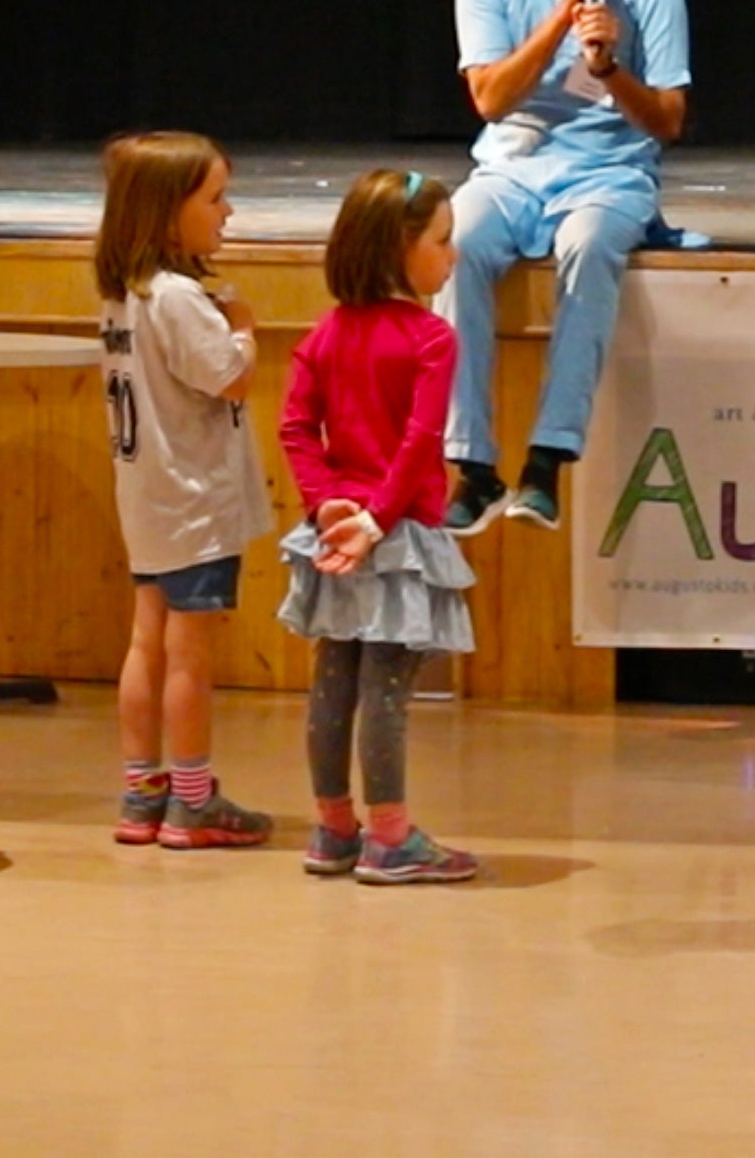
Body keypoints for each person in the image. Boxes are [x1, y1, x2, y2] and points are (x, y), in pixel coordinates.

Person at [440, 0, 691, 534]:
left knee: (587, 244)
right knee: (453, 242)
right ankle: (473, 466)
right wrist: (558, 17)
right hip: (511, 170)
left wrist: (609, 68)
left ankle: (548, 458)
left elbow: (669, 119)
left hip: (608, 173)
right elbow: (488, 98)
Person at [276, 169, 480, 885]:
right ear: (402, 247)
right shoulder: (430, 337)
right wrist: (371, 517)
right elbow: (420, 440)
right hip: (394, 538)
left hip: (340, 537)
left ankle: (334, 827)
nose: (451, 256)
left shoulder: (326, 333)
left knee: (333, 679)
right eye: (442, 241)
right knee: (385, 689)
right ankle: (389, 835)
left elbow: (296, 427)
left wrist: (326, 503)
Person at [94, 132, 275, 849]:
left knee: (147, 641)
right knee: (189, 651)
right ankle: (192, 797)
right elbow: (228, 374)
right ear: (168, 212)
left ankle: (142, 793)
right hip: (192, 497)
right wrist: (244, 329)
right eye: (215, 198)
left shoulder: (123, 294)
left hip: (146, 497)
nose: (227, 212)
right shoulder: (177, 298)